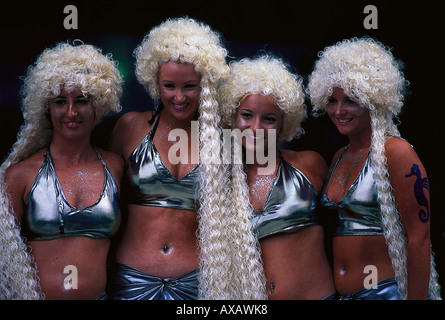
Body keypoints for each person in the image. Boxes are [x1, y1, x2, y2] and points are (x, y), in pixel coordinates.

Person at [108, 17, 241, 300]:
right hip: (131, 278)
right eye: (169, 86)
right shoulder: (129, 127)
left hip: (198, 282)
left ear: (206, 83)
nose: (179, 97)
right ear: (154, 82)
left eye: (189, 86)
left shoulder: (224, 140)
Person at [307, 37, 441, 300]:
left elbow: (419, 239)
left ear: (374, 99)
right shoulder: (339, 157)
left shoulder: (396, 152)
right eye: (332, 100)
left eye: (350, 100)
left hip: (386, 293)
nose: (339, 111)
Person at [2, 41, 123, 300]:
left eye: (81, 100)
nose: (70, 112)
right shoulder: (20, 175)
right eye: (60, 101)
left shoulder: (116, 167)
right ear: (46, 107)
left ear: (98, 104)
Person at [219, 55, 336, 299]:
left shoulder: (309, 164)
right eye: (247, 115)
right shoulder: (221, 180)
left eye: (269, 119)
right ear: (232, 116)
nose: (255, 128)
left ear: (284, 123)